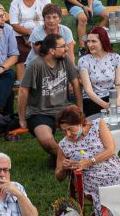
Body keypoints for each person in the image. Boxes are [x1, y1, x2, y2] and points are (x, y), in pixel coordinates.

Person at [55, 106, 120, 216]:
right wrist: (64, 168)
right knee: (107, 194)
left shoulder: (98, 125)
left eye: (70, 129)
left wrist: (90, 161)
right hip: (91, 178)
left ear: (80, 122)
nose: (68, 134)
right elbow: (58, 176)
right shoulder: (64, 145)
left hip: (112, 168)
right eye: (64, 130)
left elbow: (111, 149)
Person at [19, 33, 81, 162]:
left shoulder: (65, 59)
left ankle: (61, 160)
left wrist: (80, 110)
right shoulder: (36, 64)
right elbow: (23, 91)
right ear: (52, 51)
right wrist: (22, 118)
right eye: (63, 46)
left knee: (80, 133)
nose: (67, 48)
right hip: (39, 112)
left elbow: (75, 83)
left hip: (64, 108)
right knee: (46, 141)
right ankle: (69, 160)